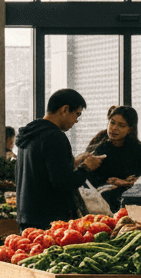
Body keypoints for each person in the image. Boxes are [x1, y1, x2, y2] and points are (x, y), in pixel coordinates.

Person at [15, 89, 104, 230]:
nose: (76, 121)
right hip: (49, 221)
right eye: (77, 114)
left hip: (27, 216)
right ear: (65, 109)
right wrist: (86, 167)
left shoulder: (30, 134)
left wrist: (73, 162)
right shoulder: (54, 137)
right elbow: (63, 182)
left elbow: (42, 170)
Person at [84, 105, 141, 211]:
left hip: (128, 199)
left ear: (130, 129)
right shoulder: (101, 148)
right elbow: (91, 178)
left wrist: (126, 183)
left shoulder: (137, 150)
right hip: (100, 197)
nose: (114, 128)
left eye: (121, 125)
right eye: (112, 122)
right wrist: (112, 183)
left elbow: (136, 179)